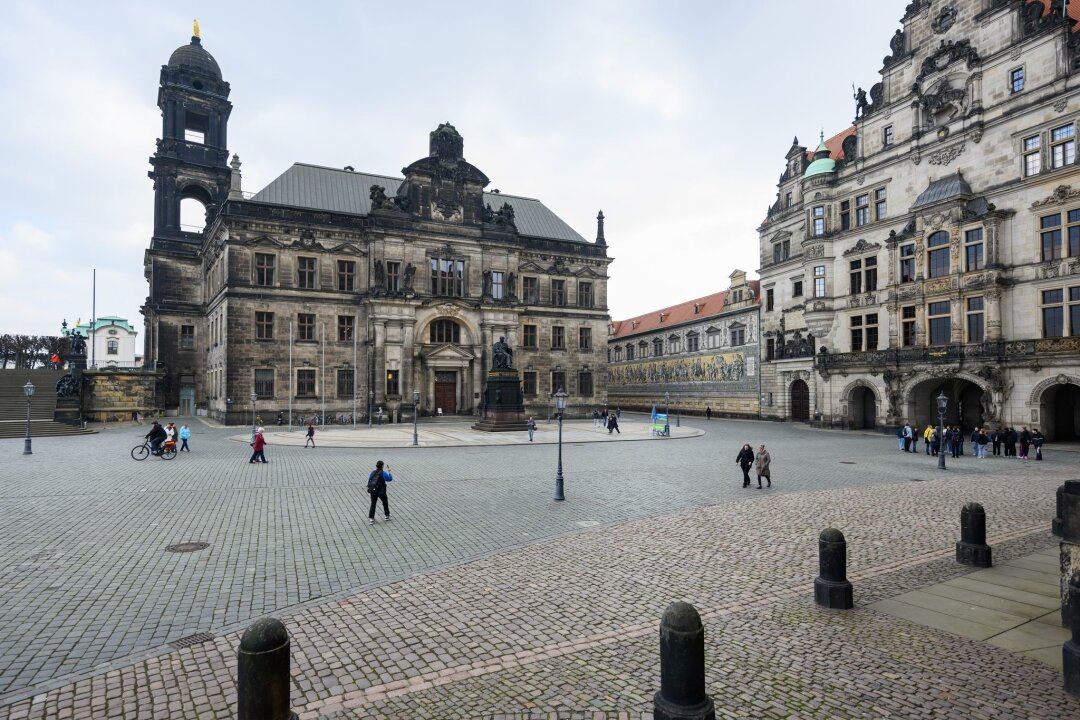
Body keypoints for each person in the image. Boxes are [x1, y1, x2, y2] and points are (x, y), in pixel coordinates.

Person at [366, 460, 392, 524]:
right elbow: (389, 479)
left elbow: (369, 479)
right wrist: (389, 472)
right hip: (381, 491)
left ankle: (371, 518)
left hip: (373, 490)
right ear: (382, 466)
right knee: (385, 502)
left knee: (373, 504)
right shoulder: (383, 473)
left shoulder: (373, 472)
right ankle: (387, 515)